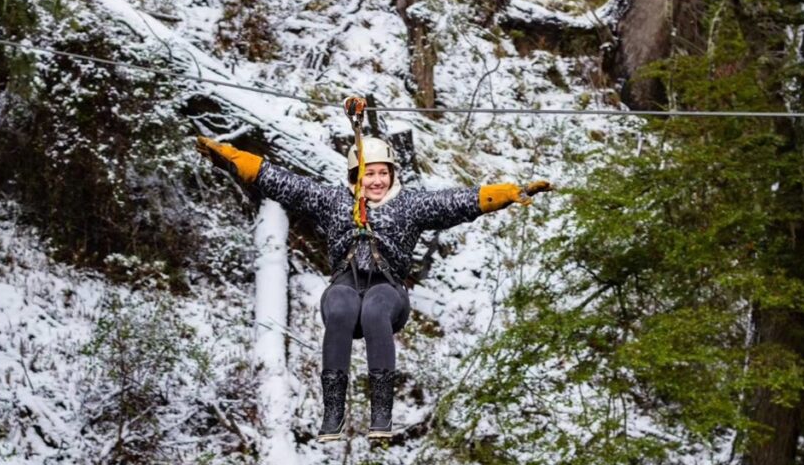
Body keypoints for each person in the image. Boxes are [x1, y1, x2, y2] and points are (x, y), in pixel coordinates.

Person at [196, 133, 551, 442]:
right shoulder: (334, 201)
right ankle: (333, 409)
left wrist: (507, 193)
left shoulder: (411, 205)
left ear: (393, 175)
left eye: (383, 173)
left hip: (389, 289)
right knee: (341, 307)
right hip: (345, 283)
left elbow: (457, 202)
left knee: (374, 308)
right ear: (356, 176)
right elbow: (282, 181)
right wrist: (231, 158)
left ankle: (382, 409)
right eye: (370, 174)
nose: (377, 180)